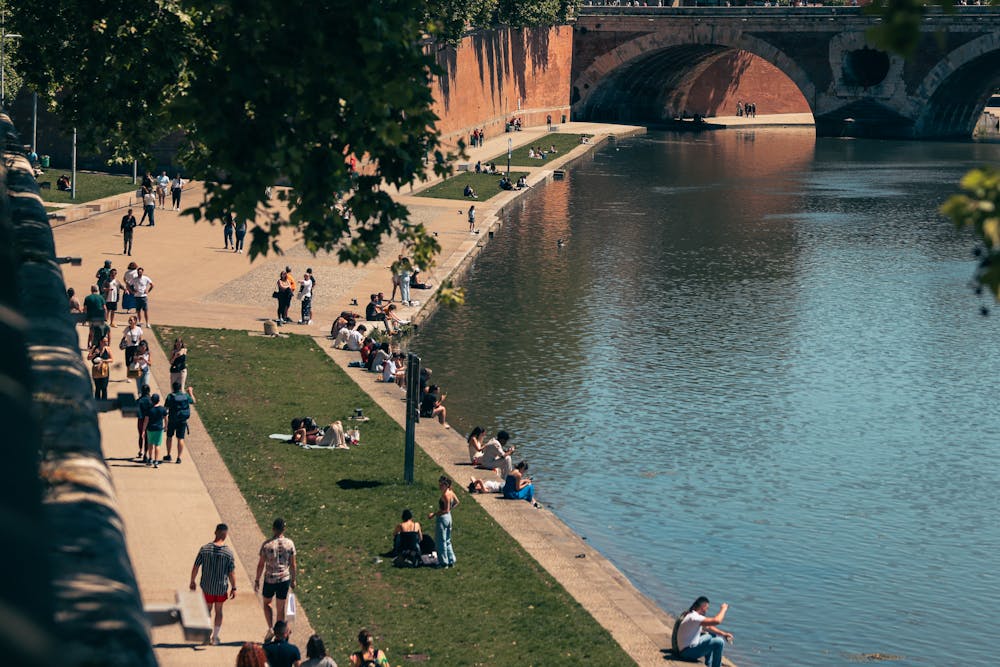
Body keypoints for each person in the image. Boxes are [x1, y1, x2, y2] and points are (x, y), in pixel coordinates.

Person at [189, 523, 237, 646]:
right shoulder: (228, 553)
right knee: (219, 611)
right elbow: (231, 573)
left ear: (215, 532)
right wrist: (234, 587)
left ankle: (205, 635)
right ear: (225, 534)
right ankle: (215, 637)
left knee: (207, 610)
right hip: (221, 588)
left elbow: (196, 566)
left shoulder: (204, 549)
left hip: (207, 587)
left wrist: (192, 581)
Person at [255, 517, 297, 642]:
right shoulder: (290, 544)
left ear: (273, 529)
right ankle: (280, 633)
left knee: (267, 603)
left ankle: (270, 627)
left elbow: (261, 564)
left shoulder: (267, 545)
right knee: (281, 608)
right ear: (284, 529)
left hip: (270, 579)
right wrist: (293, 579)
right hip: (284, 579)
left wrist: (257, 579)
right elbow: (293, 564)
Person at [677, 596, 733, 667]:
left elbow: (708, 627)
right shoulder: (695, 617)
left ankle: (708, 663)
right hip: (687, 653)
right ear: (703, 607)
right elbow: (717, 621)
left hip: (686, 649)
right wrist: (723, 609)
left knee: (712, 634)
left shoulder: (691, 615)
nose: (707, 610)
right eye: (707, 608)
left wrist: (724, 634)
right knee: (719, 642)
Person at [428, 476, 458, 568]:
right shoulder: (451, 493)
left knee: (441, 541)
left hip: (443, 518)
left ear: (446, 485)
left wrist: (434, 514)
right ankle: (451, 560)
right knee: (448, 540)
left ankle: (443, 562)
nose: (440, 486)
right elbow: (457, 502)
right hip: (449, 518)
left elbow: (446, 510)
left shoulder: (445, 495)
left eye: (441, 484)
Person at [164, 382, 196, 464]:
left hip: (172, 420)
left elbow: (166, 408)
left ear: (173, 387)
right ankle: (179, 457)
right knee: (180, 438)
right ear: (180, 387)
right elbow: (193, 401)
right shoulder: (185, 396)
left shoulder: (170, 396)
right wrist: (190, 392)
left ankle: (168, 454)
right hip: (182, 420)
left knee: (169, 437)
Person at [88, 336, 113, 400]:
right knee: (97, 388)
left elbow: (111, 360)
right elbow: (88, 358)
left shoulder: (108, 349)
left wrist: (103, 360)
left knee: (104, 388)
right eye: (104, 341)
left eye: (107, 341)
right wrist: (94, 354)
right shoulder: (94, 348)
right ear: (100, 342)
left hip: (105, 369)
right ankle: (97, 404)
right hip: (96, 370)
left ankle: (104, 405)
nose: (106, 343)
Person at [145, 394, 166, 468]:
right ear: (159, 400)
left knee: (150, 444)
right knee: (157, 445)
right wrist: (166, 426)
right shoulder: (162, 409)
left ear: (151, 401)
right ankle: (156, 461)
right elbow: (166, 418)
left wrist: (144, 429)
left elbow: (146, 420)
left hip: (150, 429)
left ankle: (150, 459)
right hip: (159, 429)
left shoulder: (149, 410)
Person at [136, 384, 152, 462]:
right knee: (147, 438)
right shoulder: (151, 400)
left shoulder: (139, 400)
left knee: (141, 436)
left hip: (141, 420)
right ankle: (146, 454)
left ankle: (140, 450)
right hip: (149, 420)